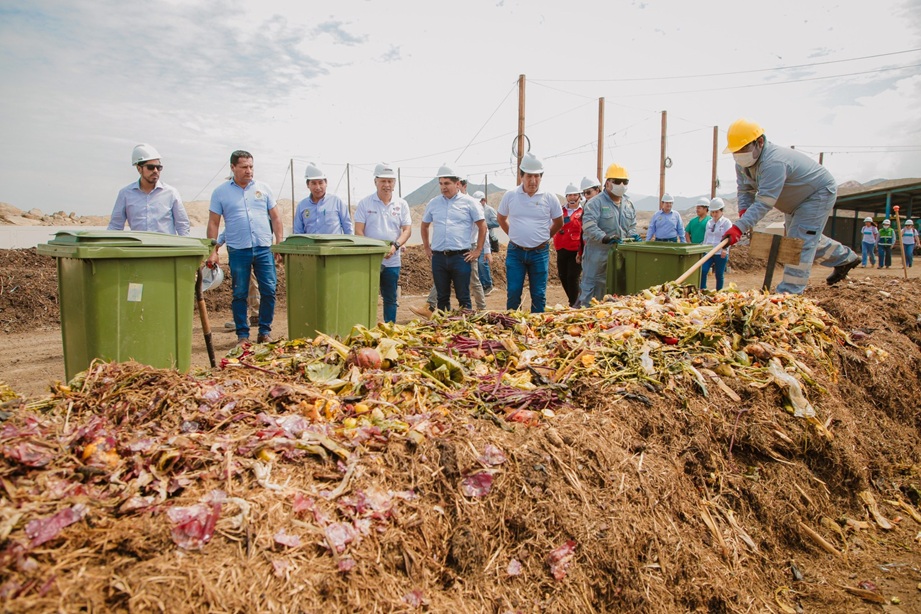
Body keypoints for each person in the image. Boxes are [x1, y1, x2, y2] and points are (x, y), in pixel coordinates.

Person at [720, 118, 860, 292]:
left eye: (744, 149)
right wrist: (744, 210)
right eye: (736, 151)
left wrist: (739, 227)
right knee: (803, 237)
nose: (739, 154)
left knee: (798, 242)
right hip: (793, 201)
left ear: (760, 142)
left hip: (815, 194)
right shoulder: (742, 164)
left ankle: (789, 293)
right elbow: (744, 190)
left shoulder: (774, 162)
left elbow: (765, 201)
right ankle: (845, 258)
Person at [206, 150, 284, 344]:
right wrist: (213, 250)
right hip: (238, 249)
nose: (249, 171)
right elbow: (213, 223)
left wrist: (279, 243)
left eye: (251, 166)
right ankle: (242, 335)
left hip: (263, 248)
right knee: (239, 292)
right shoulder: (221, 192)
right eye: (244, 167)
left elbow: (275, 217)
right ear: (233, 167)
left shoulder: (263, 189)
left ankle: (264, 331)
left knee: (269, 289)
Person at [497, 153, 563, 313]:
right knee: (513, 292)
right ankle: (512, 325)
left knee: (539, 294)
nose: (533, 181)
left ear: (541, 177)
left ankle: (536, 329)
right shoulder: (511, 196)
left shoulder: (549, 198)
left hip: (539, 253)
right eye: (529, 176)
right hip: (515, 252)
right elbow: (501, 218)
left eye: (536, 176)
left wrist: (544, 238)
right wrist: (513, 234)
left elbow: (559, 222)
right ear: (521, 176)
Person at [419, 165, 486, 311]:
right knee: (442, 297)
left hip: (461, 257)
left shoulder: (470, 203)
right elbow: (424, 226)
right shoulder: (434, 203)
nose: (443, 187)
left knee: (463, 296)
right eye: (441, 183)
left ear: (457, 184)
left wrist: (478, 250)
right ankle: (444, 330)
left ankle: (464, 329)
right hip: (439, 258)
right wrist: (426, 247)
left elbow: (483, 226)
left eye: (447, 183)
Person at [354, 163, 412, 323]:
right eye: (383, 181)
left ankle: (390, 328)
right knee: (366, 297)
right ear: (375, 182)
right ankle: (365, 328)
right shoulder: (365, 203)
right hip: (369, 260)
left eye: (390, 181)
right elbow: (358, 230)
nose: (387, 185)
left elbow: (407, 230)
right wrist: (374, 250)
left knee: (390, 298)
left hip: (392, 260)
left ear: (394, 183)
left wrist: (396, 246)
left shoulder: (402, 204)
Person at [578, 163, 638, 306]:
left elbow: (632, 226)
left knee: (617, 293)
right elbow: (588, 225)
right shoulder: (595, 203)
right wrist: (604, 237)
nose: (621, 185)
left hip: (620, 258)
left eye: (625, 182)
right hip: (597, 257)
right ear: (607, 183)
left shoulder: (628, 204)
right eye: (617, 182)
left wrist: (633, 237)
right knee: (592, 294)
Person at [108, 144, 191, 236]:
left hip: (166, 248)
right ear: (139, 169)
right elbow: (115, 226)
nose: (155, 171)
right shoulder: (125, 194)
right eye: (150, 167)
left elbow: (182, 226)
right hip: (139, 248)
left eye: (159, 167)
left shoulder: (171, 193)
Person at [293, 162, 353, 235]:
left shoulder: (336, 202)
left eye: (320, 183)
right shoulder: (302, 206)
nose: (318, 187)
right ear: (308, 185)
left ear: (326, 183)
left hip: (335, 246)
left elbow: (348, 228)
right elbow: (298, 232)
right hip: (311, 246)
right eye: (314, 183)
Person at [554, 183, 584, 307]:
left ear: (579, 196)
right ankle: (575, 299)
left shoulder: (583, 211)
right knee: (563, 276)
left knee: (572, 276)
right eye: (570, 195)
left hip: (576, 249)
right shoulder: (560, 210)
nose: (572, 197)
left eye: (575, 195)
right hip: (561, 247)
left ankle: (574, 303)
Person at [699, 198, 732, 290]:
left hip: (720, 252)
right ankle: (702, 289)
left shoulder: (726, 223)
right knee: (703, 270)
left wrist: (725, 249)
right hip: (709, 251)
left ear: (721, 211)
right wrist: (703, 249)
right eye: (712, 212)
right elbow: (706, 237)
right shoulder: (709, 222)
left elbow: (729, 238)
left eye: (716, 212)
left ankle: (719, 292)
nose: (714, 214)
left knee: (719, 274)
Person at [475, 190, 500, 295]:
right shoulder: (475, 209)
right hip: (477, 239)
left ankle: (487, 285)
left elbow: (497, 222)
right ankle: (480, 285)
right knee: (476, 264)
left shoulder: (489, 210)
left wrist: (484, 225)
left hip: (488, 238)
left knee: (482, 262)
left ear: (484, 200)